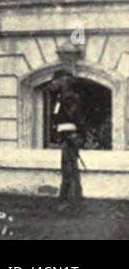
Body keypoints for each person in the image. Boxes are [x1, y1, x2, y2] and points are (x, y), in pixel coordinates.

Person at [50, 69, 84, 209]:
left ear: (64, 81)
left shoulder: (70, 97)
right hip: (65, 136)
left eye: (56, 80)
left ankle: (69, 201)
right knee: (68, 167)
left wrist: (75, 135)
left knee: (69, 168)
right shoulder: (60, 97)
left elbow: (75, 117)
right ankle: (72, 199)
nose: (54, 83)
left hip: (70, 136)